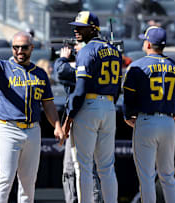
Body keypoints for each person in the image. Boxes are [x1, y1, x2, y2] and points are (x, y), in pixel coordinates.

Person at [0, 9, 65, 203]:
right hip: (8, 127)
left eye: (23, 47)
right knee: (5, 178)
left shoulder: (40, 73)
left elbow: (48, 104)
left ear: (31, 48)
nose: (19, 52)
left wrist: (57, 126)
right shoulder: (3, 67)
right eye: (15, 48)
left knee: (28, 182)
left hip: (33, 129)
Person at [122, 26, 175, 203]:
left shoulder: (137, 66)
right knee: (168, 175)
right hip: (168, 122)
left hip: (146, 121)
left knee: (146, 177)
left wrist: (128, 115)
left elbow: (128, 97)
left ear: (148, 43)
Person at [62, 11, 122, 203]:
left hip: (89, 105)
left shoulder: (87, 51)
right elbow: (118, 88)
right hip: (109, 106)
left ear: (93, 29)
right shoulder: (114, 50)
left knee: (84, 166)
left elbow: (79, 91)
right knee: (106, 166)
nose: (76, 30)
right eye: (76, 26)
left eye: (81, 27)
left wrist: (69, 118)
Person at [55, 41, 103, 203]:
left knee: (82, 169)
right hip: (89, 115)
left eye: (77, 45)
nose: (74, 48)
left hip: (83, 117)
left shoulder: (89, 62)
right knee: (74, 170)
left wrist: (63, 58)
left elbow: (61, 72)